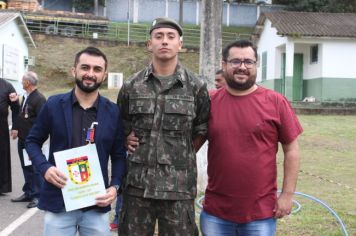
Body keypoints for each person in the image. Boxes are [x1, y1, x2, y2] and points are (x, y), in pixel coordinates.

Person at [117, 17, 210, 235]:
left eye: (171, 37)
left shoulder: (196, 87)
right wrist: (125, 138)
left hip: (178, 188)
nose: (164, 41)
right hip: (138, 187)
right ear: (150, 44)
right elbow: (121, 122)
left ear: (180, 44)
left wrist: (180, 152)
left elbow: (202, 128)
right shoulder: (132, 85)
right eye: (158, 37)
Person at [199, 40, 303, 235]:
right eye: (235, 61)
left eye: (248, 62)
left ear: (256, 65)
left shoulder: (276, 102)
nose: (242, 67)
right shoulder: (208, 101)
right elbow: (187, 145)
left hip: (261, 213)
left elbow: (292, 150)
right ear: (224, 65)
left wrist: (287, 195)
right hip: (216, 212)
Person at [25, 46, 127, 236]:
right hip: (59, 202)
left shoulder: (113, 112)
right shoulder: (54, 104)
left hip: (96, 204)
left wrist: (115, 187)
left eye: (97, 69)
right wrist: (45, 168)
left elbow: (119, 155)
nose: (90, 74)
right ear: (74, 70)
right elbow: (32, 141)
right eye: (85, 67)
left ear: (104, 75)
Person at [10, 71, 46, 208]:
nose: (21, 82)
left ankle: (38, 196)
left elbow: (43, 122)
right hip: (23, 139)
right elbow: (22, 115)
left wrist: (38, 141)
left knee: (35, 168)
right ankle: (29, 192)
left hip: (33, 141)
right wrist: (16, 128)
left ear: (27, 83)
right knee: (26, 167)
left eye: (22, 80)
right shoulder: (26, 96)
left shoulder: (39, 99)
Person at [0, 78, 20, 195]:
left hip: (1, 127)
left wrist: (15, 126)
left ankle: (2, 186)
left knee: (2, 155)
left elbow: (15, 107)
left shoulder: (7, 86)